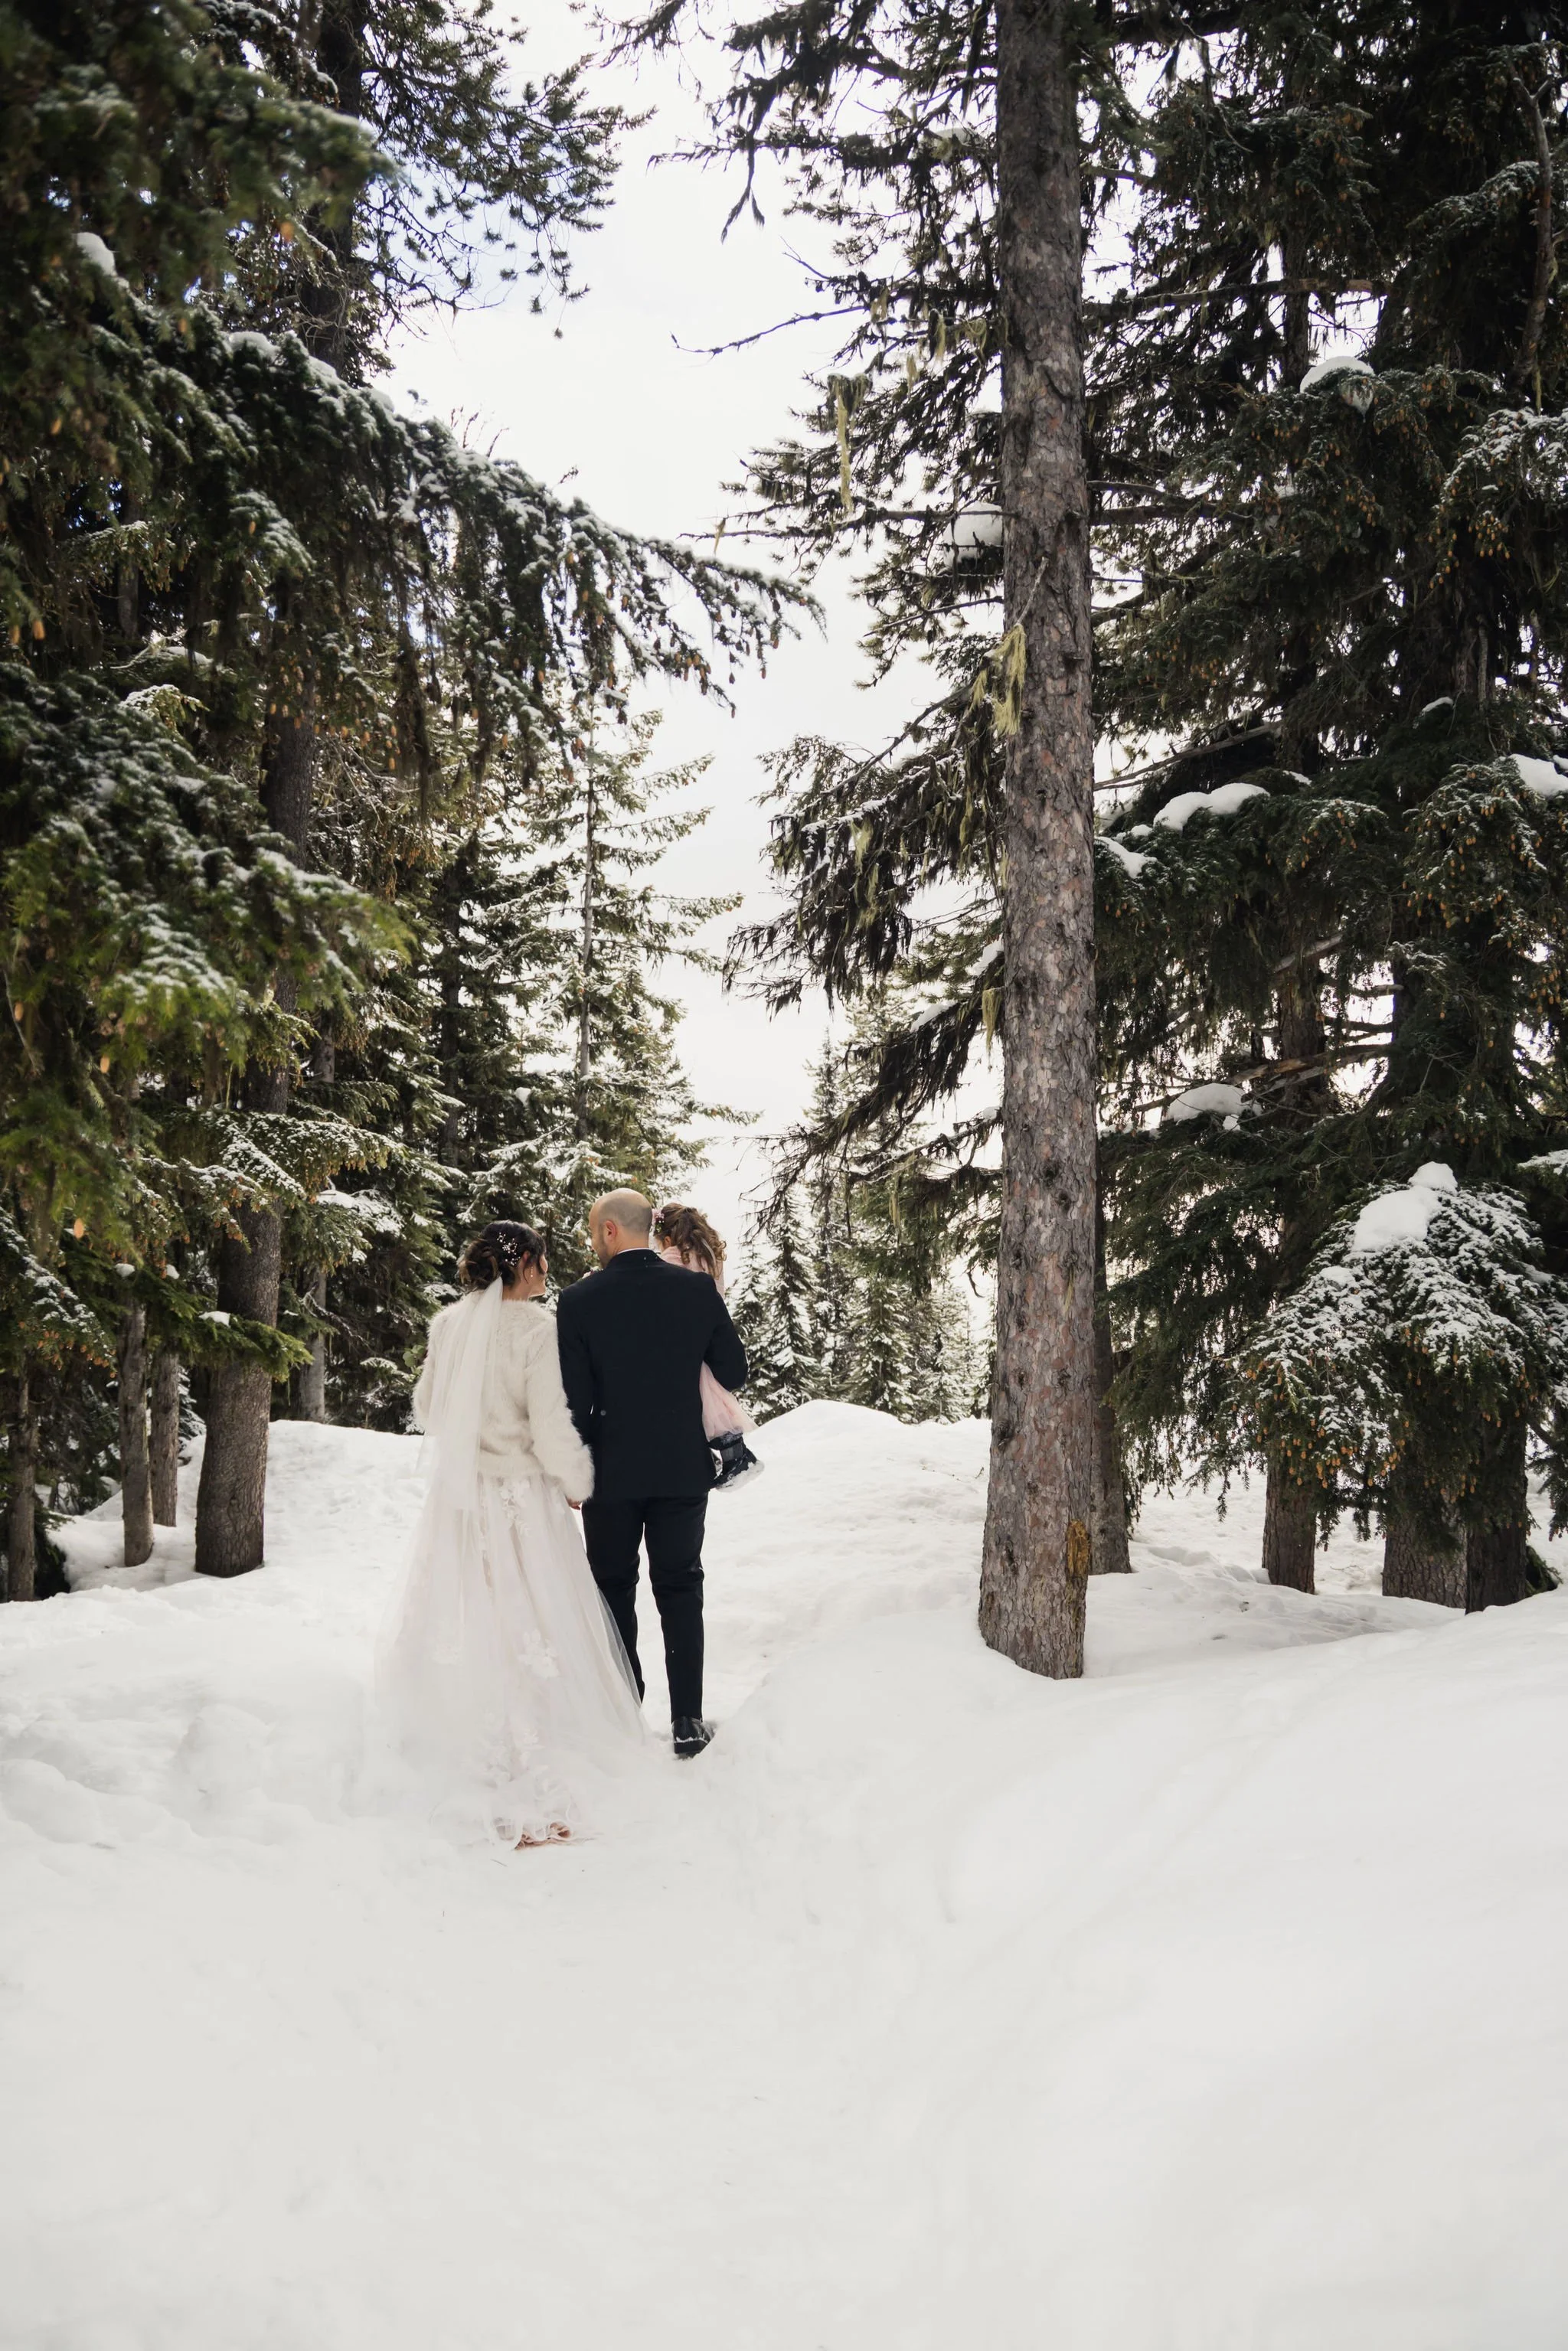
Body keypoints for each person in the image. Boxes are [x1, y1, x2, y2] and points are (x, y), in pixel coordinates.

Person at [379, 1220, 648, 1847]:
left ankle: (472, 1745)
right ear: (522, 1262)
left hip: (464, 1498)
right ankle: (540, 1764)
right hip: (523, 1498)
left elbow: (427, 1409)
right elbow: (550, 1420)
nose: (549, 1269)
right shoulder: (536, 1329)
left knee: (477, 1615)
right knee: (533, 1617)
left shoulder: (448, 1325)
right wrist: (576, 1479)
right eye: (543, 1259)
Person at [555, 1187, 749, 1760]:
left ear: (612, 1230)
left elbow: (577, 1402)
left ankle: (623, 1714)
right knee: (681, 1586)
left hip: (610, 1472)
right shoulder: (695, 1289)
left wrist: (576, 1469)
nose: (593, 1241)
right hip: (682, 1466)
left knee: (612, 1587)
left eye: (594, 1230)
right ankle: (687, 1721)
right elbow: (732, 1370)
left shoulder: (579, 1300)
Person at [654, 1203, 763, 1491]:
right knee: (712, 1397)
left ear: (667, 1238)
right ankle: (729, 1456)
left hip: (682, 1339)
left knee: (704, 1398)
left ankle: (735, 1457)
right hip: (710, 1336)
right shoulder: (709, 1258)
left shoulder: (673, 1257)